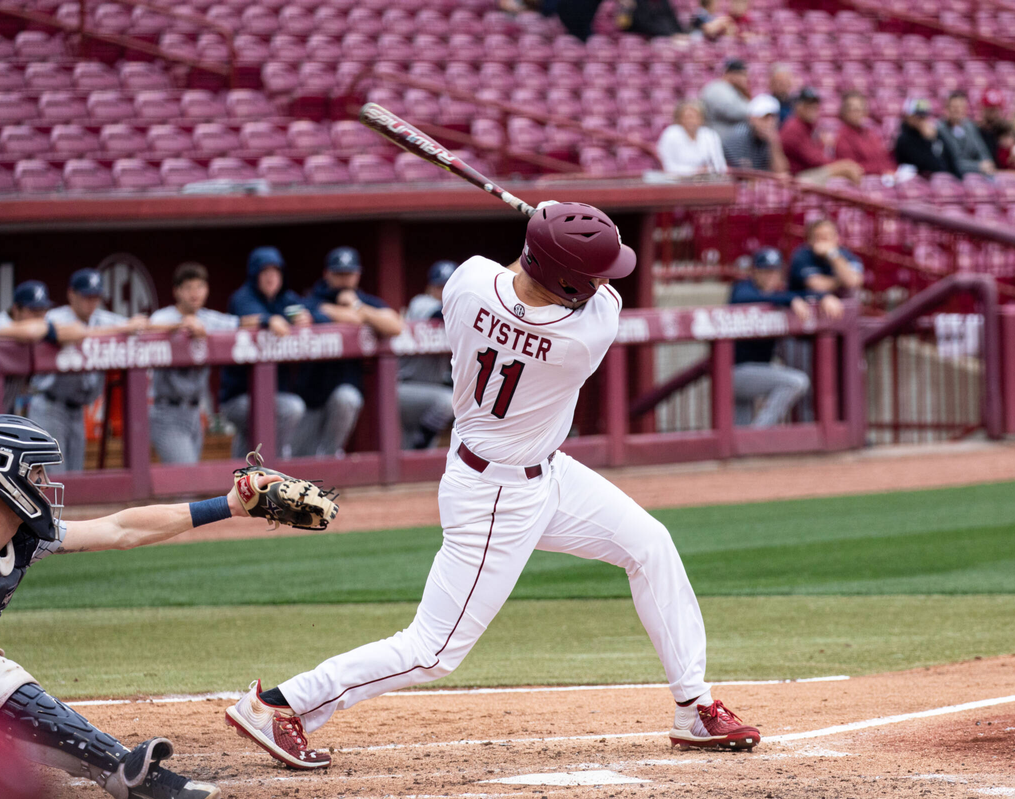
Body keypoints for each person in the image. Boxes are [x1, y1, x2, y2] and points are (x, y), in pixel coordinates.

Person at [224, 201, 762, 769]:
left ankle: (692, 705)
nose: (607, 280)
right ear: (569, 283)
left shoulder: (467, 279)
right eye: (596, 273)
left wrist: (547, 235)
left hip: (542, 473)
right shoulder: (585, 335)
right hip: (495, 499)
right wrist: (555, 233)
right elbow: (594, 293)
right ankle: (280, 705)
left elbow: (518, 275)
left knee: (649, 545)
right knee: (432, 650)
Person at [0, 413, 292, 799]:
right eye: (36, 472)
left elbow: (121, 529)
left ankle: (129, 778)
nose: (46, 483)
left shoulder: (21, 539)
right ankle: (130, 778)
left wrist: (228, 505)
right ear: (7, 480)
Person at [28, 269, 147, 471]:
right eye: (86, 297)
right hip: (49, 406)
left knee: (75, 478)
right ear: (71, 294)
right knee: (55, 478)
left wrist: (134, 323)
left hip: (77, 411)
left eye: (96, 297)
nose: (91, 303)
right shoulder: (54, 317)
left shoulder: (102, 319)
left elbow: (139, 324)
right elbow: (74, 333)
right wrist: (120, 329)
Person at [295, 247, 404, 458]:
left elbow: (395, 326)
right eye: (339, 274)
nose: (345, 280)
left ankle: (331, 457)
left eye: (349, 274)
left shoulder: (362, 301)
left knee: (347, 399)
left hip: (344, 389)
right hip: (310, 395)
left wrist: (357, 307)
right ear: (327, 274)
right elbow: (306, 313)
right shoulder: (311, 299)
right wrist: (347, 314)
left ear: (357, 274)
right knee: (296, 459)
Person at [219, 246, 322, 459]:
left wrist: (308, 317)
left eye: (276, 272)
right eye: (265, 272)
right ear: (255, 275)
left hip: (273, 392)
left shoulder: (286, 300)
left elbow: (312, 311)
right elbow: (249, 315)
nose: (271, 278)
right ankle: (274, 460)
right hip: (238, 396)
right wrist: (269, 319)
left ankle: (242, 476)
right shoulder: (243, 297)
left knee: (254, 434)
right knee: (289, 408)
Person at [146, 263, 239, 465]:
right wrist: (182, 327)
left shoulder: (208, 318)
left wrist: (271, 320)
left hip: (195, 413)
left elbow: (241, 324)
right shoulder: (164, 317)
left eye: (199, 287)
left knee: (186, 483)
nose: (194, 293)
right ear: (177, 291)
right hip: (166, 410)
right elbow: (147, 327)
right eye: (188, 288)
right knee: (186, 479)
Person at [728, 247, 815, 428]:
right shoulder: (743, 288)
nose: (770, 276)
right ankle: (758, 434)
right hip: (734, 372)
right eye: (765, 271)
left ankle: (749, 440)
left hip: (755, 372)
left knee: (739, 431)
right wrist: (789, 300)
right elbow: (744, 298)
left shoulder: (778, 295)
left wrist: (826, 298)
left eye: (774, 271)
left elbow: (805, 295)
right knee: (796, 382)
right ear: (754, 272)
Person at [0, 282, 89, 412]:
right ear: (16, 309)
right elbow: (29, 332)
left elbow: (79, 331)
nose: (40, 316)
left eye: (43, 310)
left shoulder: (42, 328)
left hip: (2, 407)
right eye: (34, 310)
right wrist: (49, 328)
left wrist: (49, 330)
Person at [399, 261, 457, 450]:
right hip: (403, 388)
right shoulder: (421, 303)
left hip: (428, 393)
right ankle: (420, 447)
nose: (445, 291)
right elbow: (439, 314)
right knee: (448, 401)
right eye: (440, 286)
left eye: (450, 285)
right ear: (429, 287)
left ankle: (419, 450)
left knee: (408, 456)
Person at [778, 87, 863, 183]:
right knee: (847, 169)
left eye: (815, 105)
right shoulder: (793, 129)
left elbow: (817, 156)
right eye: (808, 105)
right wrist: (839, 164)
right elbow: (814, 160)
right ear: (799, 106)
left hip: (809, 172)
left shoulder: (810, 127)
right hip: (797, 178)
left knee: (850, 167)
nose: (813, 108)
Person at [787, 218, 865, 297]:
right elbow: (817, 286)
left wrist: (833, 255)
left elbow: (852, 282)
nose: (825, 241)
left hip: (843, 305)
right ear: (810, 240)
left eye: (828, 236)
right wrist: (842, 282)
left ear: (836, 238)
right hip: (807, 304)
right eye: (820, 237)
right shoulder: (801, 256)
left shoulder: (847, 255)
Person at [721, 93, 789, 174]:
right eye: (764, 118)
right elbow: (746, 174)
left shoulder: (770, 138)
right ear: (751, 119)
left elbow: (782, 172)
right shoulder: (738, 137)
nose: (770, 123)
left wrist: (774, 144)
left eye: (773, 118)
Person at [657, 100, 728, 176]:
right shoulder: (670, 134)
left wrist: (709, 170)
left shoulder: (710, 135)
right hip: (677, 182)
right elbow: (667, 166)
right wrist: (695, 171)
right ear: (679, 119)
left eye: (695, 117)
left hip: (707, 180)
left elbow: (720, 165)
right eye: (687, 117)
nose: (691, 121)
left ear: (702, 119)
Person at [834, 91, 896, 176]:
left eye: (861, 109)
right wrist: (882, 169)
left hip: (883, 177)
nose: (858, 113)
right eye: (854, 110)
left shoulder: (871, 133)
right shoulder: (842, 136)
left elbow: (883, 158)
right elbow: (852, 168)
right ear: (844, 112)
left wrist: (891, 169)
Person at [893, 98, 956, 177]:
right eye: (918, 116)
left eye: (924, 116)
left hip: (945, 180)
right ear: (908, 117)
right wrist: (929, 141)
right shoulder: (904, 140)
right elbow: (928, 165)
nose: (922, 120)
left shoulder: (935, 135)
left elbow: (950, 159)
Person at [937, 90, 995, 176]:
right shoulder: (940, 129)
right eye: (954, 107)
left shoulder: (970, 126)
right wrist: (978, 166)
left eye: (961, 107)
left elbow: (981, 150)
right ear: (947, 109)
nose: (958, 110)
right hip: (954, 175)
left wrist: (987, 163)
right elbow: (952, 161)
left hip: (976, 174)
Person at [700, 58, 751, 141]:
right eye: (743, 75)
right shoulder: (717, 88)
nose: (745, 79)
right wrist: (754, 111)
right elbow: (732, 111)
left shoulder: (731, 89)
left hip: (728, 140)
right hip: (718, 138)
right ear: (732, 74)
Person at [977, 89, 1011, 167]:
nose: (993, 113)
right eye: (990, 109)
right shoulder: (976, 131)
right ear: (984, 109)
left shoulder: (1005, 130)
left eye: (995, 109)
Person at [617, 0, 684, 37]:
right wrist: (670, 34)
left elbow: (671, 18)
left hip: (665, 33)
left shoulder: (664, 2)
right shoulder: (638, 2)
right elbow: (643, 23)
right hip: (645, 35)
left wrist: (679, 33)